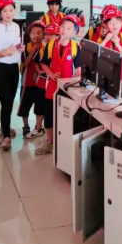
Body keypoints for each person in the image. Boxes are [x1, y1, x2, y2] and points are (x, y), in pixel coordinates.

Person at [38, 15, 82, 155]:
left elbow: (79, 69)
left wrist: (78, 80)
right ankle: (50, 143)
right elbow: (44, 63)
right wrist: (51, 74)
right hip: (52, 86)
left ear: (75, 32)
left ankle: (65, 144)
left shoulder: (75, 47)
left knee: (66, 115)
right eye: (63, 26)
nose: (64, 30)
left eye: (69, 28)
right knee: (49, 115)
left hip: (68, 89)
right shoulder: (51, 44)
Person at [0, 0, 23, 151]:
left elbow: (16, 44)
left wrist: (20, 48)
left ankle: (5, 127)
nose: (8, 13)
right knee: (7, 102)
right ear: (0, 13)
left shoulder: (16, 26)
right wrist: (5, 53)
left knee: (8, 104)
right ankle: (6, 137)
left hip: (13, 69)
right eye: (4, 11)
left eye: (11, 10)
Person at [18, 21, 46, 139]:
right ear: (29, 34)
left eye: (39, 33)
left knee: (40, 105)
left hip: (41, 82)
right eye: (33, 33)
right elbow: (25, 63)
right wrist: (33, 50)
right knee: (25, 105)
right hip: (28, 81)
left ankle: (38, 126)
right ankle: (26, 126)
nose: (36, 36)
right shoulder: (26, 47)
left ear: (44, 34)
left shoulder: (46, 46)